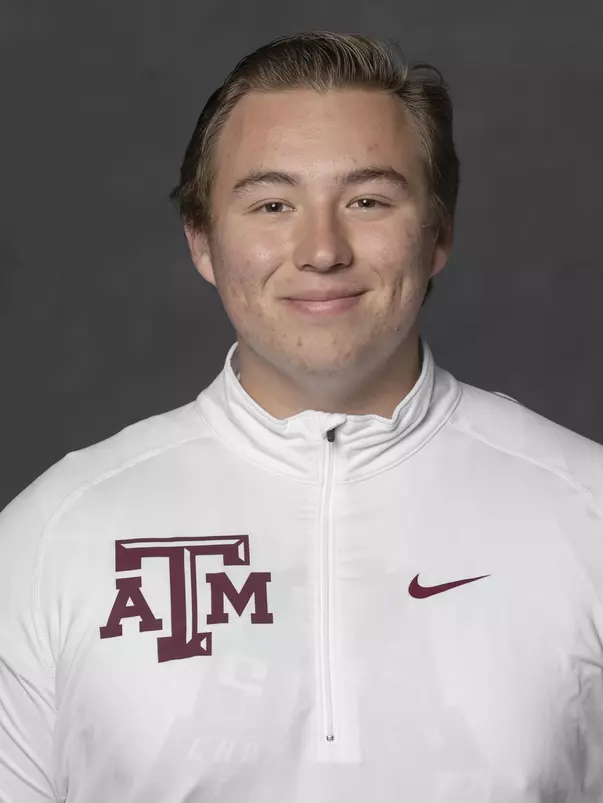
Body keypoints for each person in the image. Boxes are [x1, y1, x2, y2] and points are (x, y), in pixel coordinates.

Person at [1, 29, 602, 803]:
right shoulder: (51, 537)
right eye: (272, 203)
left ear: (438, 233)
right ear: (203, 242)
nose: (321, 249)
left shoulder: (586, 509)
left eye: (367, 201)